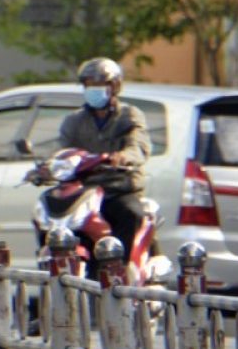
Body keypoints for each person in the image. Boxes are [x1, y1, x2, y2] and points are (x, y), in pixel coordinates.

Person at [35, 57, 151, 261]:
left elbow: (139, 147)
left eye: (98, 84)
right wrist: (45, 169)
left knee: (132, 214)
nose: (92, 90)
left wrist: (122, 157)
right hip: (84, 190)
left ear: (114, 86)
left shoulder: (130, 115)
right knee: (45, 209)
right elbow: (62, 151)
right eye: (88, 85)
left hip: (117, 188)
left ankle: (121, 268)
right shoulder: (74, 120)